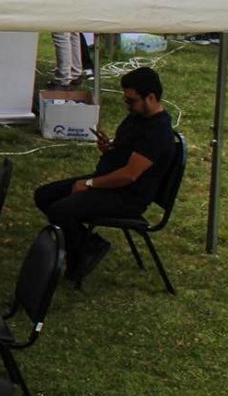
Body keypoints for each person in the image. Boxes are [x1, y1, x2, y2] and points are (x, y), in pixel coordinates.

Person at [34, 67, 176, 285]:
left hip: (127, 196)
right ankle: (87, 244)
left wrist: (90, 184)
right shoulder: (137, 117)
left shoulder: (157, 132)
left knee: (60, 210)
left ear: (151, 97)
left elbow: (129, 175)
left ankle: (80, 254)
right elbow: (125, 153)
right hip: (110, 182)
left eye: (131, 101)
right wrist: (109, 148)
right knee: (44, 195)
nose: (128, 105)